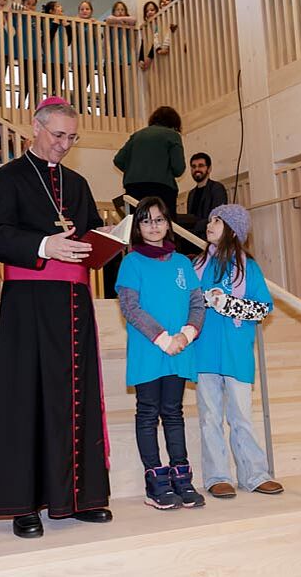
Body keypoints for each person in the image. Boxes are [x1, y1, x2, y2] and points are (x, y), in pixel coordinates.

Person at [0, 97, 113, 538]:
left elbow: (90, 231)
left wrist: (107, 240)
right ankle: (25, 505)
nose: (64, 144)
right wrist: (45, 245)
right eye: (58, 135)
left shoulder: (77, 182)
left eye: (72, 137)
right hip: (29, 301)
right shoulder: (8, 178)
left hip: (74, 303)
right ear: (34, 128)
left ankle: (78, 498)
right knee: (27, 399)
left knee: (75, 397)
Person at [116, 197, 206, 510]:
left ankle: (182, 476)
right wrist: (163, 338)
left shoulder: (182, 262)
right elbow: (130, 307)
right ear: (138, 227)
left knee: (173, 412)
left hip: (179, 349)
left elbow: (197, 303)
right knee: (148, 412)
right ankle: (156, 481)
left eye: (159, 219)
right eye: (146, 220)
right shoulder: (131, 262)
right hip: (149, 350)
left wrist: (187, 334)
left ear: (168, 223)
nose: (153, 226)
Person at [193, 204, 284, 499]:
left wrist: (228, 304)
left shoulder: (249, 268)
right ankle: (217, 476)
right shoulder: (197, 265)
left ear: (233, 230)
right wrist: (205, 300)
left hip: (237, 355)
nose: (210, 224)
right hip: (204, 353)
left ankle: (254, 475)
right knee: (210, 418)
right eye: (210, 219)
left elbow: (263, 308)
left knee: (241, 417)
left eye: (217, 220)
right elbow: (186, 303)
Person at [113, 105, 186, 218]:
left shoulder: (137, 135)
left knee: (137, 222)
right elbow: (178, 168)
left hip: (134, 189)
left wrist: (133, 170)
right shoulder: (173, 135)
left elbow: (118, 160)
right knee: (163, 222)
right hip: (162, 189)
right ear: (174, 123)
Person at [184, 152, 228, 239]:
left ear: (209, 169)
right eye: (193, 166)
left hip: (211, 237)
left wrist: (195, 227)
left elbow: (217, 216)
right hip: (194, 238)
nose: (197, 169)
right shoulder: (191, 194)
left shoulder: (217, 188)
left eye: (201, 166)